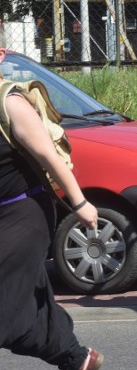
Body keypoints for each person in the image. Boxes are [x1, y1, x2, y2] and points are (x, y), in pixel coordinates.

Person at [0, 45, 104, 369]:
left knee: (6, 309)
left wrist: (80, 203)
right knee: (28, 300)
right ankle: (75, 357)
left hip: (24, 213)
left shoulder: (10, 102)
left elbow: (49, 155)